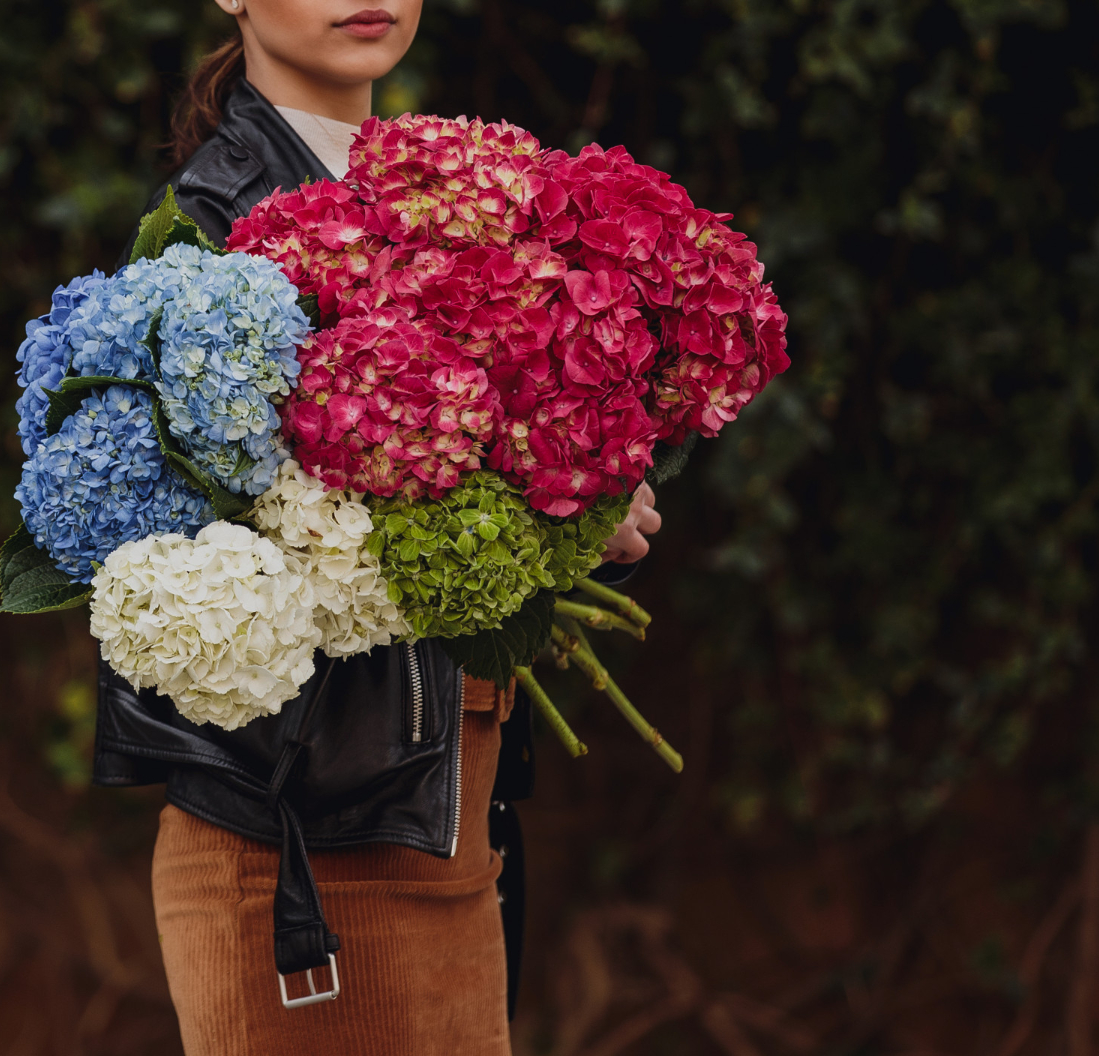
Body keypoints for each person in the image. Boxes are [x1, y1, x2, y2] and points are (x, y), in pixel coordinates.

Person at [92, 3, 663, 1053]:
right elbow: (196, 583)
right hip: (297, 860)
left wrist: (576, 482)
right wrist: (529, 520)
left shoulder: (447, 197)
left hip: (448, 833)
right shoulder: (210, 232)